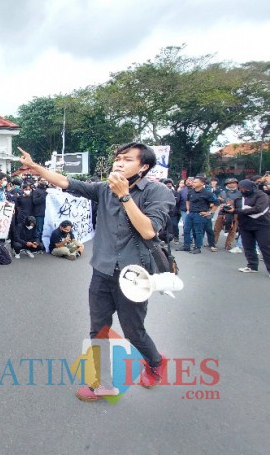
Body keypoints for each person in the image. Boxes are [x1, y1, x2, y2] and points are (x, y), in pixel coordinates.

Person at [18, 142, 175, 402]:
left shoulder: (157, 192)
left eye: (127, 159)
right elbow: (67, 183)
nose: (119, 163)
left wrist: (125, 196)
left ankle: (156, 362)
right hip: (102, 270)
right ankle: (101, 383)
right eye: (118, 159)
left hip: (134, 275)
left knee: (133, 331)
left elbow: (148, 230)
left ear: (144, 166)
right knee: (98, 329)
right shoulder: (104, 189)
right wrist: (36, 167)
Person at [234, 179, 270, 275]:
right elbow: (234, 208)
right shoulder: (239, 197)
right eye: (240, 189)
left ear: (252, 188)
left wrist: (239, 211)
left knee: (265, 247)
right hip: (245, 225)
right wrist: (227, 210)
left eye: (245, 189)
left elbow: (259, 209)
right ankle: (252, 266)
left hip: (262, 225)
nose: (243, 191)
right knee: (248, 247)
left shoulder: (262, 196)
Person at [177, 176, 218, 254]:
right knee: (186, 230)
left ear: (202, 183)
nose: (193, 183)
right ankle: (186, 246)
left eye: (195, 182)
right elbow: (187, 201)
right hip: (190, 213)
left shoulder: (207, 193)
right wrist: (188, 209)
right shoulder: (191, 191)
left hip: (200, 214)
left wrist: (210, 212)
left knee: (198, 232)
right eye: (193, 182)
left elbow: (216, 203)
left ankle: (197, 247)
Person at [213, 177, 242, 250]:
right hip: (222, 212)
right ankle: (213, 242)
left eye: (233, 183)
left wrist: (234, 207)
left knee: (233, 230)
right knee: (217, 228)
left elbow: (241, 204)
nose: (231, 185)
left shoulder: (240, 193)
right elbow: (218, 201)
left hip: (234, 213)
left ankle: (228, 244)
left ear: (236, 184)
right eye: (229, 183)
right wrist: (222, 203)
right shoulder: (222, 192)